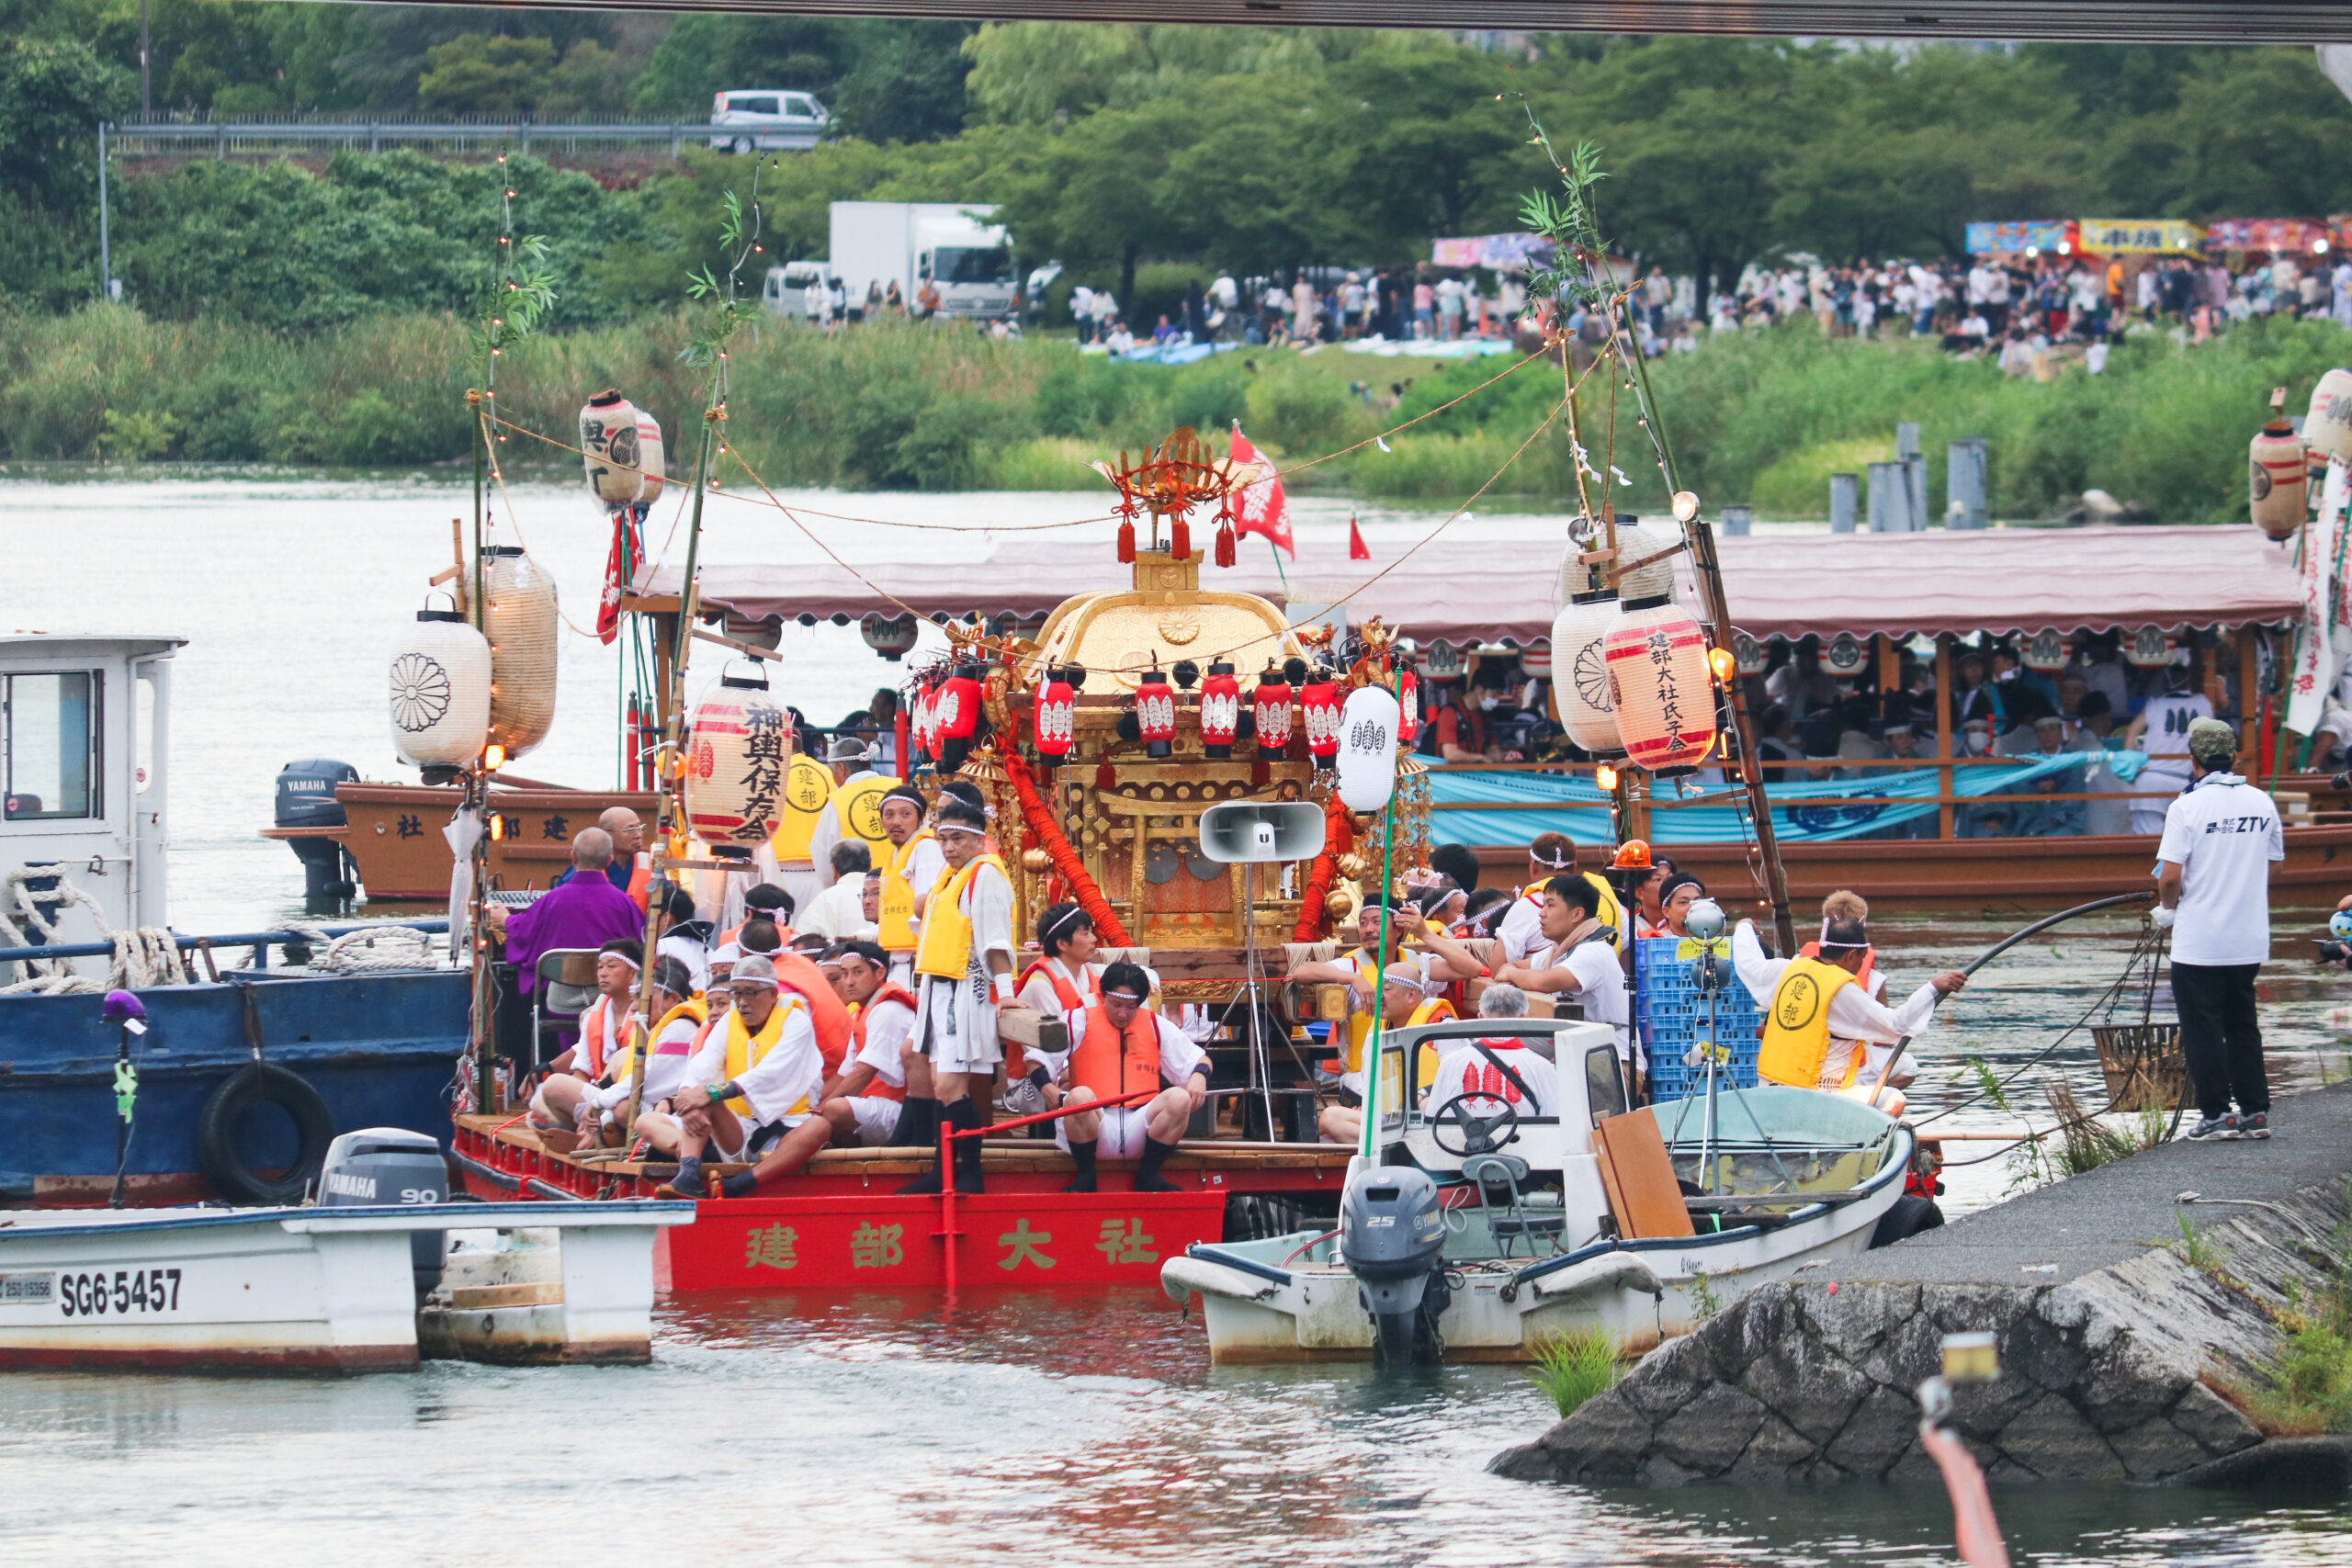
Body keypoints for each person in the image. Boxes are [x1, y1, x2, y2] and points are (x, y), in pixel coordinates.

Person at [2156, 716, 2281, 1141]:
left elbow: (2170, 877)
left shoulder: (2186, 806)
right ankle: (2255, 1112)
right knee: (2243, 1023)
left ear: (2193, 760)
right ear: (2232, 757)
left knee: (2203, 1028)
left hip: (2199, 941)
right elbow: (2273, 864)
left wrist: (2166, 909)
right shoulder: (2261, 802)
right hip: (2248, 938)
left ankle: (2216, 1113)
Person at [898, 797, 1015, 1194]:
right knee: (937, 1082)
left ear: (979, 839)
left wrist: (1006, 992)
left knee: (951, 1086)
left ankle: (970, 1171)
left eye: (957, 839)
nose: (948, 847)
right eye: (943, 839)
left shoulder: (985, 875)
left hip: (966, 989)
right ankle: (943, 1169)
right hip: (938, 986)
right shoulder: (951, 876)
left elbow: (995, 940)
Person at [1734, 914, 1965, 1114]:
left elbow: (1748, 963)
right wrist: (1933, 988)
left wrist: (1743, 926)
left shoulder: (1788, 968)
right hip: (1816, 1096)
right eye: (1862, 958)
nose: (1863, 964)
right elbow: (1895, 1026)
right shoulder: (1842, 989)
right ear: (1851, 955)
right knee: (1894, 1098)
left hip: (1767, 1089)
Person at [651, 954, 831, 1199]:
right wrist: (687, 1099)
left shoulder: (796, 1021)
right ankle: (688, 1175)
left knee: (819, 1126)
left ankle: (741, 1184)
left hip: (789, 1127)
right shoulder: (729, 1021)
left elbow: (772, 1072)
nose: (743, 1002)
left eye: (751, 993)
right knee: (697, 1099)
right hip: (738, 1128)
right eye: (736, 994)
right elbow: (701, 1066)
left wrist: (713, 1092)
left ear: (772, 993)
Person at [1025, 961, 1210, 1190]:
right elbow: (1035, 1060)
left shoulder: (1154, 1023)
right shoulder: (1076, 1019)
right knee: (1079, 1095)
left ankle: (1148, 1174)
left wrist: (1198, 1078)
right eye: (1116, 1004)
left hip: (1141, 1129)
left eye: (1131, 1007)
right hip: (1094, 1125)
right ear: (1103, 996)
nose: (1123, 1014)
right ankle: (1086, 1177)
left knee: (1179, 1098)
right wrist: (1051, 1092)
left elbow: (1199, 1059)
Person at [1491, 875, 1633, 1073]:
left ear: (1577, 915)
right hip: (1582, 1057)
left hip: (1613, 1064)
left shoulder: (1594, 951)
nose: (1541, 913)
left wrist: (1511, 973)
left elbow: (1542, 982)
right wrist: (1511, 970)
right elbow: (1512, 966)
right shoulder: (1560, 952)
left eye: (1550, 905)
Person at [490, 828, 647, 1005]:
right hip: (607, 1000)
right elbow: (641, 947)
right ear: (609, 861)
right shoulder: (623, 903)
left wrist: (506, 920)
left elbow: (525, 931)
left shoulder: (551, 901)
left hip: (561, 1000)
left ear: (573, 857)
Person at [526, 939, 643, 1146]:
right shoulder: (594, 1017)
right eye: (600, 967)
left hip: (628, 1097)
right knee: (540, 1097)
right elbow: (581, 1074)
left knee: (554, 1084)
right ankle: (583, 1131)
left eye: (612, 966)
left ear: (633, 974)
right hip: (598, 1098)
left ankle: (590, 1133)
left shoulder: (644, 1015)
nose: (602, 973)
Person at [579, 955, 705, 1147]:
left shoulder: (680, 1028)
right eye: (635, 998)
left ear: (672, 998)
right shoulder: (660, 1027)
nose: (635, 1007)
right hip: (653, 1103)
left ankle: (613, 1137)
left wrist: (598, 1103)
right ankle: (599, 1134)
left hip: (671, 1109)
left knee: (621, 1108)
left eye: (643, 998)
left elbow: (644, 1081)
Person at [818, 941, 922, 1148]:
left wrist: (820, 1112)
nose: (849, 982)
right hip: (879, 1105)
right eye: (844, 974)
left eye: (857, 972)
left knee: (833, 1111)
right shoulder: (862, 1011)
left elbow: (864, 1072)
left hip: (905, 1111)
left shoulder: (889, 1010)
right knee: (818, 1111)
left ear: (880, 972)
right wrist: (811, 1105)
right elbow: (844, 1074)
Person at [1497, 832, 1624, 962]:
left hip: (1551, 978)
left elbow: (1499, 967)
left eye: (1550, 905)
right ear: (1574, 867)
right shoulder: (1609, 899)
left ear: (1533, 866)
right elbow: (1629, 950)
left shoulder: (1525, 907)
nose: (1542, 912)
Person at [2125, 666, 2216, 835]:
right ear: (2188, 682)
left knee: (2149, 843)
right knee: (2181, 841)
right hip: (2183, 782)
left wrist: (2132, 765)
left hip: (2150, 779)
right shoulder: (2203, 703)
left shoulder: (2156, 704)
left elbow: (2132, 730)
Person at [875, 784, 944, 980]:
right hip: (896, 958)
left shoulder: (926, 848)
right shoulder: (895, 854)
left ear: (921, 819)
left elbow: (929, 905)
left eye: (905, 814)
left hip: (917, 959)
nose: (896, 822)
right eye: (889, 815)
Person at [808, 738, 891, 888]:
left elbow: (822, 857)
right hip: (899, 888)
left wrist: (834, 889)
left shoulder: (838, 801)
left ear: (841, 768)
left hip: (857, 891)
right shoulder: (896, 789)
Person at [548, 807, 651, 908]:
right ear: (608, 834)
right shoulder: (587, 864)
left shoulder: (649, 863)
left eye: (640, 828)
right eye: (630, 829)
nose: (638, 835)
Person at [800, 840, 873, 940]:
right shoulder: (888, 892)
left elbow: (804, 942)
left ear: (833, 869)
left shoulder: (825, 899)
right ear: (870, 866)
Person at [652, 884, 712, 994]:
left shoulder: (660, 946)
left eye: (650, 917)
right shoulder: (708, 949)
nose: (648, 923)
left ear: (666, 918)